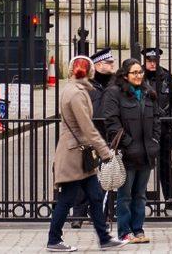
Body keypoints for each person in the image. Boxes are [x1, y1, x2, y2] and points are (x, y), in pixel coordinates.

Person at [48, 55, 126, 251]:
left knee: (95, 196)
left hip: (81, 153)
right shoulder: (76, 94)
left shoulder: (77, 90)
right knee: (67, 199)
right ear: (90, 71)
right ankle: (53, 239)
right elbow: (87, 128)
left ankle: (104, 238)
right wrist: (105, 151)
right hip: (74, 154)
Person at [101, 58, 160, 243]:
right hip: (127, 153)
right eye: (134, 73)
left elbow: (157, 118)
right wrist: (127, 142)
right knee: (125, 196)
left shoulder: (147, 92)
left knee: (140, 195)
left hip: (146, 152)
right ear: (125, 75)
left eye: (140, 72)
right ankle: (124, 231)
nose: (138, 76)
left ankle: (138, 229)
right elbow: (111, 121)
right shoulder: (114, 93)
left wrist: (155, 140)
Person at [142, 47, 172, 213]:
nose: (152, 64)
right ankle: (141, 197)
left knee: (165, 164)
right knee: (143, 165)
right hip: (145, 129)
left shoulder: (166, 76)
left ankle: (169, 198)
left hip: (165, 129)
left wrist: (171, 117)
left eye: (154, 61)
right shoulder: (139, 77)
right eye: (149, 61)